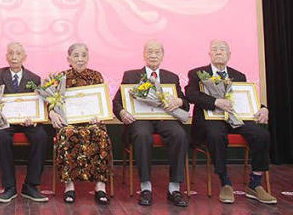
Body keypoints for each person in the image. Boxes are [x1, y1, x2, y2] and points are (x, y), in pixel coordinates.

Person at [185, 40, 276, 205]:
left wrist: (263, 108)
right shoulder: (197, 73)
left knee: (261, 134)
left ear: (229, 55)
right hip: (210, 119)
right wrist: (215, 102)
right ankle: (225, 182)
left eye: (222, 49)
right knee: (215, 134)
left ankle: (255, 184)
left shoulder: (238, 75)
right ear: (209, 54)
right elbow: (191, 95)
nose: (218, 52)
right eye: (215, 49)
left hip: (235, 118)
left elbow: (245, 98)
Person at [112, 40, 190, 207]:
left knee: (180, 134)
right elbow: (117, 102)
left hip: (165, 118)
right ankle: (145, 187)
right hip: (141, 119)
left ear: (162, 55)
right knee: (142, 135)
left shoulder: (171, 77)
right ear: (144, 54)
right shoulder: (131, 76)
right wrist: (122, 113)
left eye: (157, 52)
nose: (153, 55)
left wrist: (179, 101)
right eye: (150, 52)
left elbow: (185, 104)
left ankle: (174, 188)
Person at [51, 43, 112, 205]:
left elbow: (102, 102)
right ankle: (69, 186)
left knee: (100, 134)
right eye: (76, 55)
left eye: (83, 55)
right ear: (68, 59)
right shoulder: (61, 77)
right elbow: (52, 102)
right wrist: (52, 112)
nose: (80, 59)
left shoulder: (96, 76)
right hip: (69, 122)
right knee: (67, 134)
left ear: (88, 57)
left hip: (92, 121)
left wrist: (99, 115)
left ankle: (100, 187)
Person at [0, 42, 47, 203]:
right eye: (11, 53)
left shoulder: (34, 78)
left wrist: (34, 118)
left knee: (41, 136)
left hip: (27, 122)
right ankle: (9, 187)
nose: (14, 57)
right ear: (6, 56)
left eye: (18, 53)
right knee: (1, 137)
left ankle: (30, 186)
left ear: (24, 57)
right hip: (5, 121)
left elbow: (39, 103)